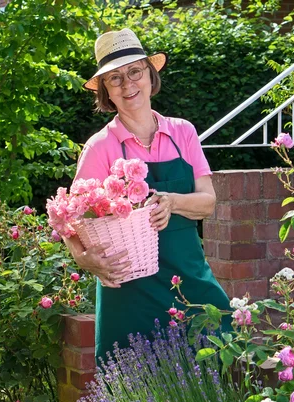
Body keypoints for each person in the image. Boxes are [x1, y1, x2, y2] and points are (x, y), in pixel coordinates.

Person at [64, 28, 231, 360]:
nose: (128, 85)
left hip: (188, 279)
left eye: (134, 72)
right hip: (129, 290)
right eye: (115, 79)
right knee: (131, 385)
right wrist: (82, 257)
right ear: (105, 92)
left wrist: (171, 201)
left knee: (218, 350)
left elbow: (208, 202)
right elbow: (67, 216)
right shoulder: (101, 146)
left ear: (149, 74)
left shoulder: (183, 132)